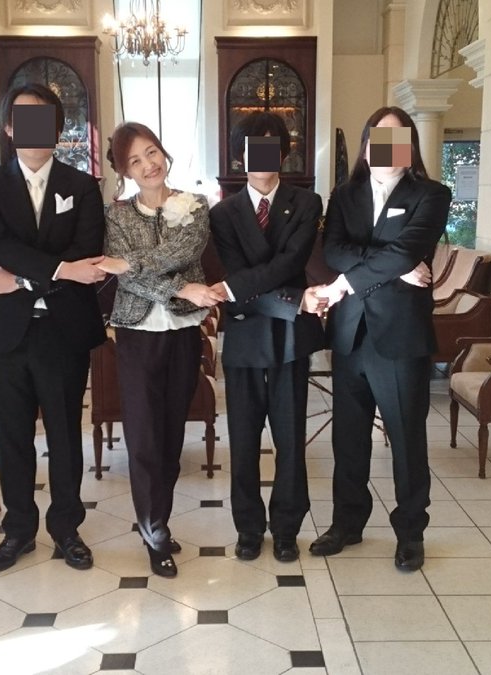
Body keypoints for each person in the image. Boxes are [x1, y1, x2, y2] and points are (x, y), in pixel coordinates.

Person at [0, 82, 108, 574]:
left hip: (62, 331)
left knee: (65, 434)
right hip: (6, 334)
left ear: (57, 129)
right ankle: (19, 531)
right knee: (12, 436)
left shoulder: (83, 185)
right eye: (24, 120)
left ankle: (66, 529)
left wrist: (23, 280)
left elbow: (86, 253)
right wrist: (59, 271)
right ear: (10, 128)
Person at [310, 106, 451, 571]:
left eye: (397, 139)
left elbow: (409, 248)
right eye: (378, 139)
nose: (387, 148)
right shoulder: (344, 195)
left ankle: (410, 532)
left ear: (409, 148)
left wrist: (351, 280)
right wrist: (395, 265)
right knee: (349, 439)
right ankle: (347, 523)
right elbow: (333, 250)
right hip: (351, 335)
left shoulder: (431, 194)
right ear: (367, 146)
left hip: (400, 337)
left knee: (406, 440)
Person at [96, 122, 222, 578]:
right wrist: (182, 288)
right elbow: (129, 282)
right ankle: (154, 532)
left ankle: (158, 521)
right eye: (135, 160)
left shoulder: (195, 205)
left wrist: (129, 263)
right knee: (144, 437)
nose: (148, 164)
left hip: (183, 333)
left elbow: (178, 252)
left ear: (163, 153)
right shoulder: (116, 216)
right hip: (136, 335)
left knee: (170, 436)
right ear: (125, 171)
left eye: (152, 152)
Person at [208, 112, 325, 562]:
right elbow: (238, 275)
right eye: (253, 147)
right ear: (240, 156)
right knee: (243, 439)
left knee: (290, 438)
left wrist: (237, 289)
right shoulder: (223, 213)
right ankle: (249, 528)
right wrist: (293, 299)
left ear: (284, 153)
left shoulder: (307, 202)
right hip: (245, 336)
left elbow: (287, 263)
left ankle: (288, 527)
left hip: (290, 339)